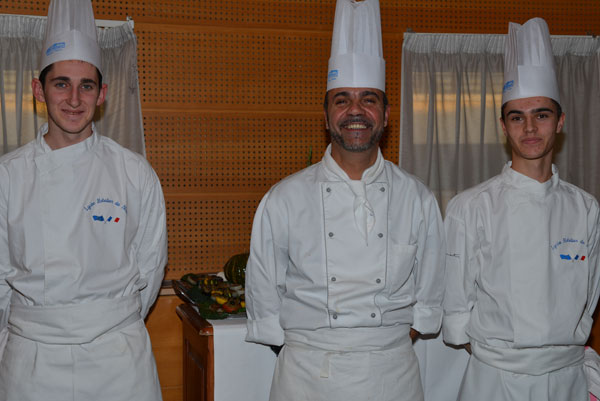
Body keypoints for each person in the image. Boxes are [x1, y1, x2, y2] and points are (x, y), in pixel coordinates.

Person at [245, 1, 445, 400]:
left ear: (386, 114)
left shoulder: (417, 198)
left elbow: (431, 292)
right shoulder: (284, 198)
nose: (356, 111)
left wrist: (378, 346)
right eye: (342, 100)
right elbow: (263, 296)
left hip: (391, 375)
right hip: (306, 376)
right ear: (325, 116)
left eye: (369, 99)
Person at [0, 1, 167, 400]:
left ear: (102, 93)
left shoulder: (134, 172)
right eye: (61, 84)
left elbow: (150, 267)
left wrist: (110, 319)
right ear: (38, 90)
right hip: (32, 360)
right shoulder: (8, 175)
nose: (74, 99)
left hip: (118, 357)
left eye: (86, 85)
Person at [442, 17, 600, 401]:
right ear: (504, 126)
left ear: (560, 122)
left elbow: (589, 298)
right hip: (493, 379)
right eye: (517, 117)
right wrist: (502, 358)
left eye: (541, 115)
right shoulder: (470, 207)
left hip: (566, 379)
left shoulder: (586, 208)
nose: (529, 128)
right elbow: (456, 307)